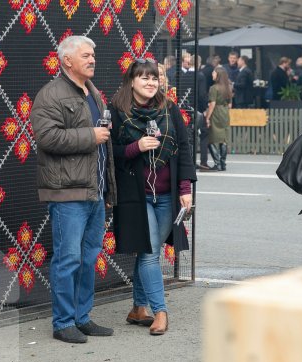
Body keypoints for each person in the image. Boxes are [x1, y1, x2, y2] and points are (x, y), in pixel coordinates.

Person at [30, 35, 117, 344]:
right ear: (66, 60)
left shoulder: (93, 93)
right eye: (85, 55)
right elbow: (47, 138)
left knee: (89, 257)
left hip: (93, 191)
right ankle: (63, 322)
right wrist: (89, 136)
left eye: (93, 54)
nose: (92, 59)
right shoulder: (50, 94)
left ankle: (82, 317)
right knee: (68, 260)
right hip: (68, 193)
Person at [109, 59, 197, 336]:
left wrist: (185, 189)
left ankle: (138, 308)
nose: (150, 83)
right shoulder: (117, 111)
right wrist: (136, 147)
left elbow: (183, 148)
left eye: (154, 78)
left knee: (150, 251)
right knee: (149, 252)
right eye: (143, 78)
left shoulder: (169, 109)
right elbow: (110, 153)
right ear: (131, 81)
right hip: (138, 194)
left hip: (166, 194)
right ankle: (160, 312)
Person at [204, 66, 232, 171]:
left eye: (214, 73)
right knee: (223, 139)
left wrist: (207, 117)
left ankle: (217, 163)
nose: (212, 74)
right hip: (225, 113)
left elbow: (212, 104)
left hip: (216, 113)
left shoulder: (213, 88)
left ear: (218, 75)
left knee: (212, 138)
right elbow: (230, 105)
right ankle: (223, 163)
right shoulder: (228, 87)